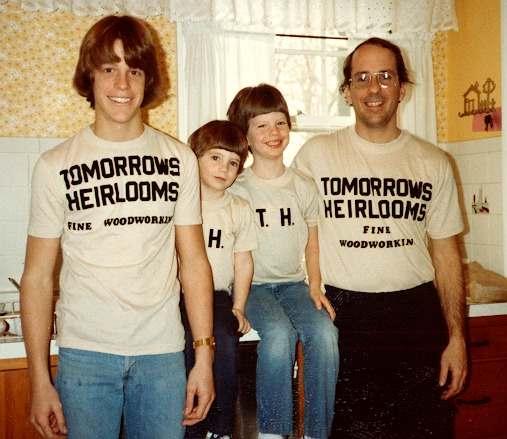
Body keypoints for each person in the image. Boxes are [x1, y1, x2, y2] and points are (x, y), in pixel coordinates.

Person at [19, 15, 215, 439]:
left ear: (148, 80)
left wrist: (204, 358)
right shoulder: (55, 166)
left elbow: (195, 263)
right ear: (89, 76)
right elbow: (36, 276)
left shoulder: (179, 159)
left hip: (162, 354)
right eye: (109, 68)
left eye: (135, 70)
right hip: (85, 356)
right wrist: (39, 377)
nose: (122, 84)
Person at [293, 37, 467, 438]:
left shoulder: (434, 162)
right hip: (342, 314)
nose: (374, 89)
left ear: (402, 88)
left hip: (416, 316)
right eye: (363, 78)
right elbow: (288, 234)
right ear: (347, 92)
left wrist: (457, 337)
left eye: (386, 77)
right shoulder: (314, 156)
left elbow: (446, 253)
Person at [227, 84, 339, 439]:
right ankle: (272, 433)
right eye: (261, 125)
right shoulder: (236, 187)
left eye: (280, 123)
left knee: (325, 333)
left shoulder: (303, 185)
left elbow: (312, 242)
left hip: (293, 285)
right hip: (252, 287)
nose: (273, 132)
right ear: (245, 135)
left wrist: (315, 285)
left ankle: (315, 433)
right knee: (278, 334)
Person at [181, 120, 257, 439]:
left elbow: (243, 261)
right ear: (194, 157)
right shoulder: (179, 203)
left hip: (217, 297)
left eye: (233, 163)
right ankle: (189, 427)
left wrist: (239, 306)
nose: (223, 168)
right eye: (215, 157)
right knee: (184, 344)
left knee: (224, 340)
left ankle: (220, 428)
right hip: (178, 295)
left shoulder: (238, 208)